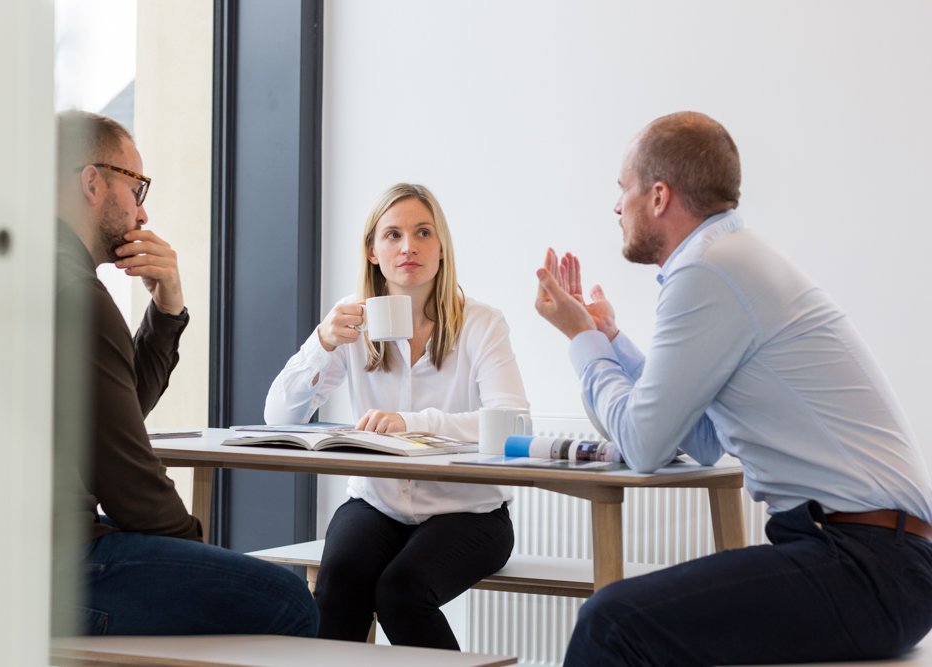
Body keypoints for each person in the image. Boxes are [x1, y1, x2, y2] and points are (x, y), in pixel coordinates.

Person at [534, 111, 932, 666]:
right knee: (629, 620)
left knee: (611, 621)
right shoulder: (729, 259)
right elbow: (702, 440)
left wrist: (581, 340)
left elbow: (644, 446)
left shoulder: (707, 270)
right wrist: (610, 340)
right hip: (874, 557)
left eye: (621, 188)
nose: (616, 206)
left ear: (658, 196)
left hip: (867, 564)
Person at [52, 110, 318, 637]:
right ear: (92, 182)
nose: (143, 213)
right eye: (137, 187)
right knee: (288, 600)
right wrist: (203, 559)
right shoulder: (77, 295)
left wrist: (167, 312)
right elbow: (130, 485)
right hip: (58, 573)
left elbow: (114, 414)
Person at [265, 183, 528, 649]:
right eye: (393, 235)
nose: (408, 246)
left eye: (423, 232)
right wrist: (322, 343)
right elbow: (279, 415)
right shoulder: (351, 321)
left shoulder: (482, 324)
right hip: (377, 504)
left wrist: (413, 421)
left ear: (441, 248)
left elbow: (511, 424)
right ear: (372, 251)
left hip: (470, 512)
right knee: (338, 584)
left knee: (401, 592)